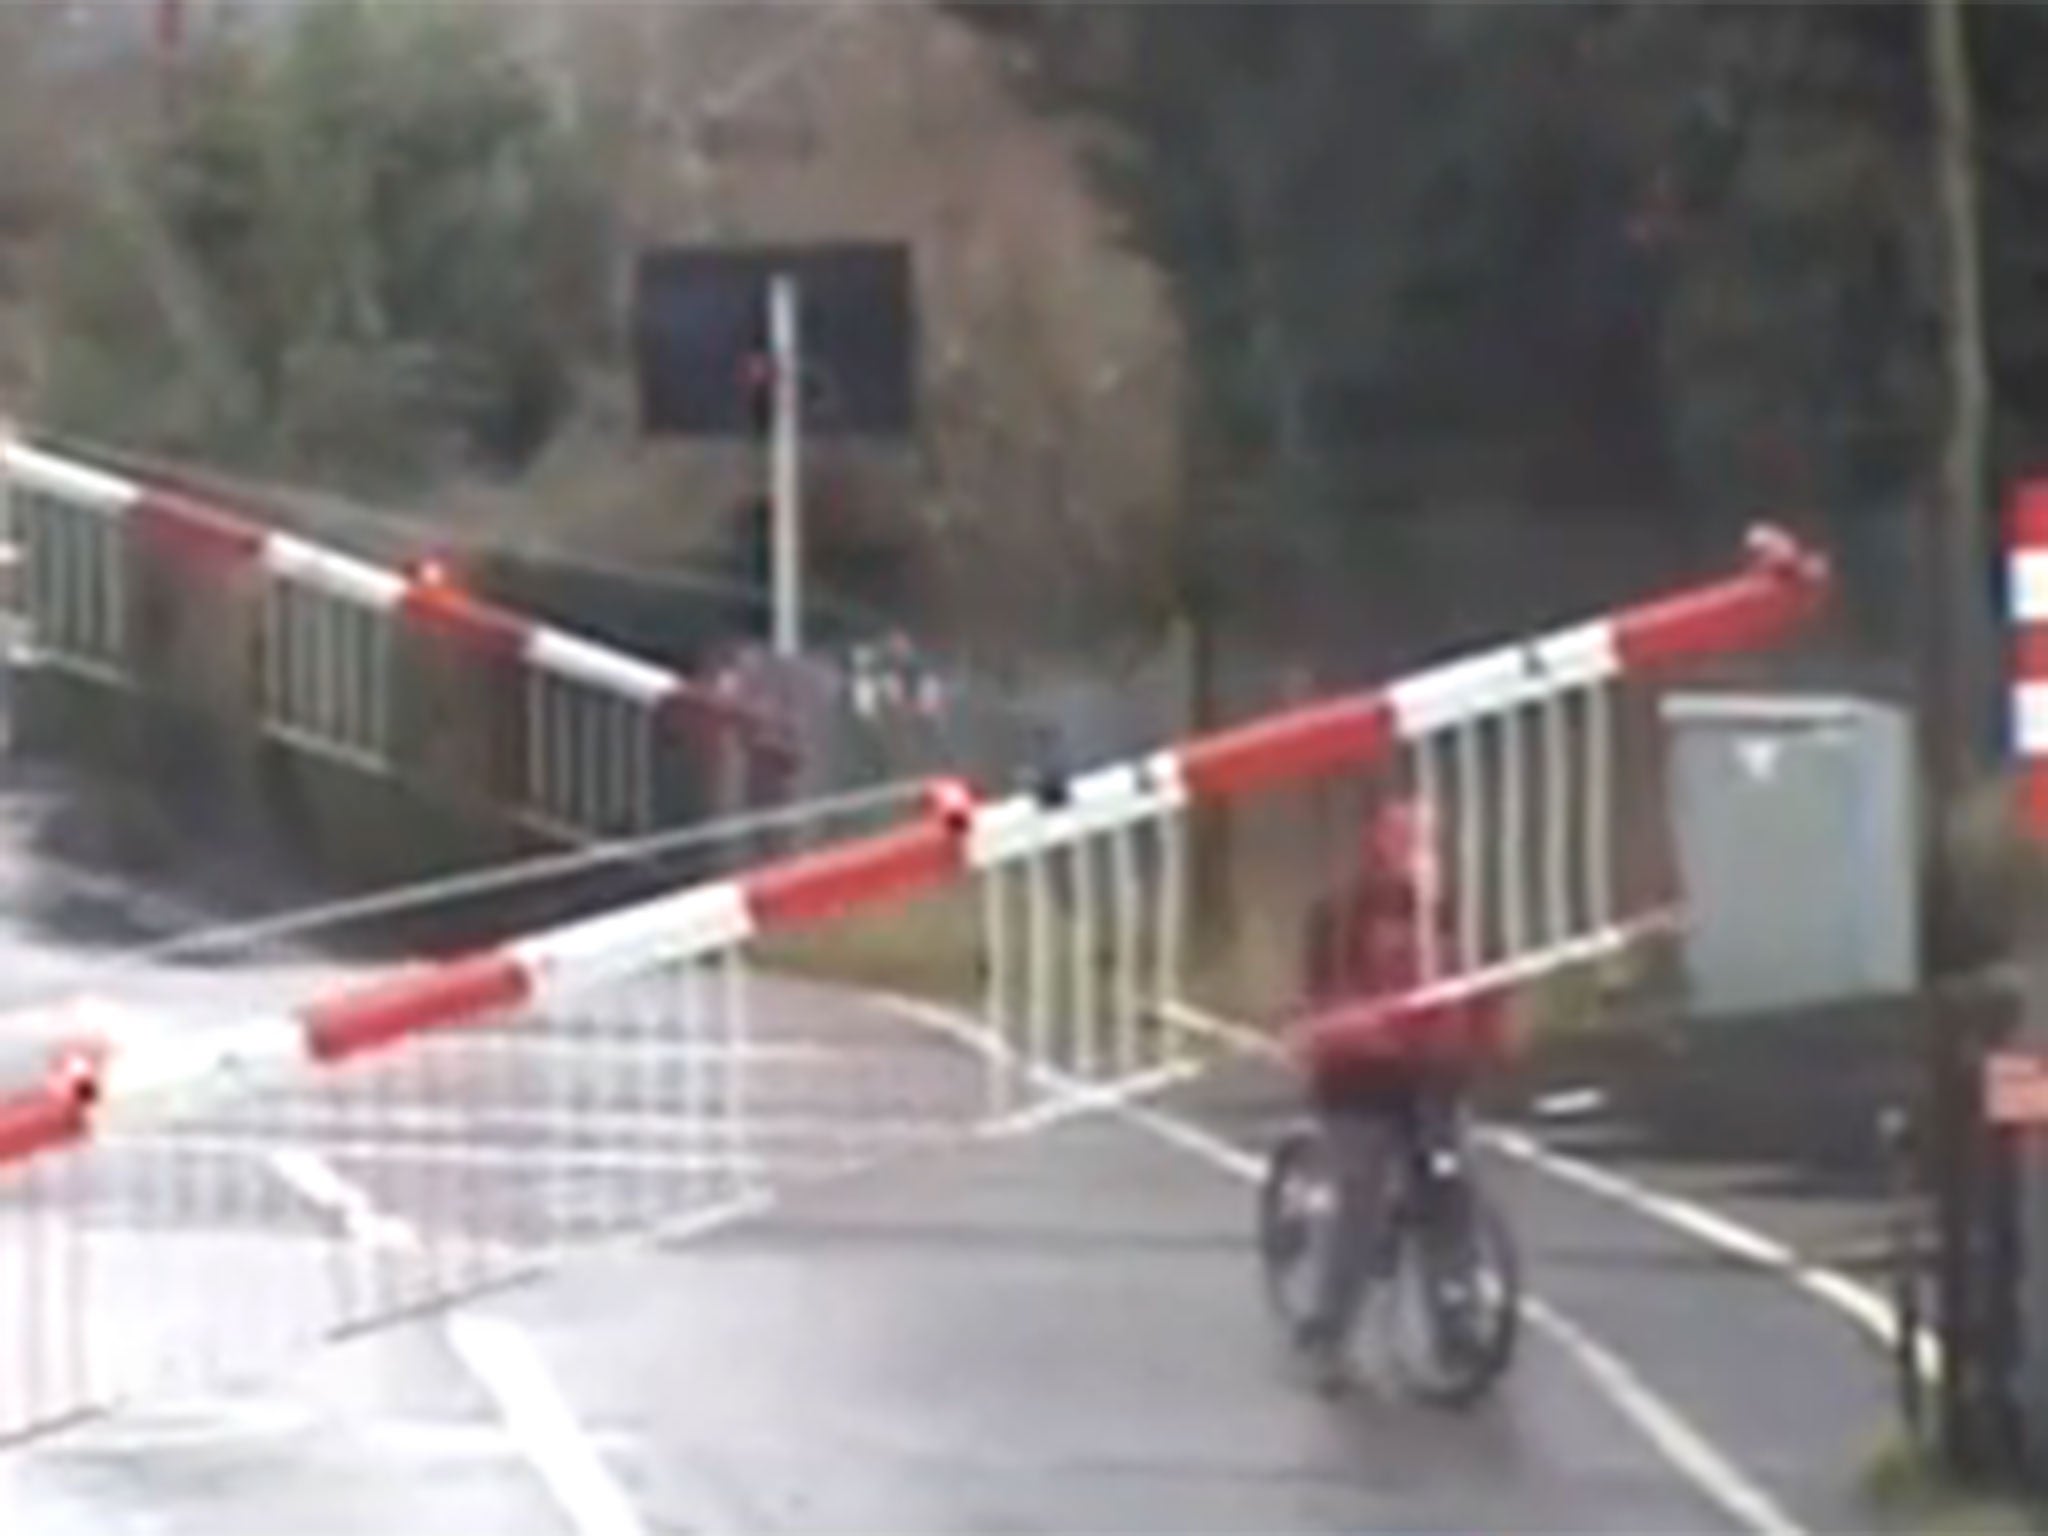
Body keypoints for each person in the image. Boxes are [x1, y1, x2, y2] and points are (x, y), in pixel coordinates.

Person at [1288, 795, 1506, 1392]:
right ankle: (1327, 1333)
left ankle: (1456, 1326)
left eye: (1427, 842)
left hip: (1432, 1075)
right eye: (1407, 841)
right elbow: (1322, 996)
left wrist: (1488, 1040)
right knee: (1356, 1206)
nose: (1419, 855)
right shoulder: (1341, 915)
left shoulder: (1453, 915)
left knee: (1449, 1196)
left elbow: (1484, 984)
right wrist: (1359, 1030)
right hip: (1359, 1081)